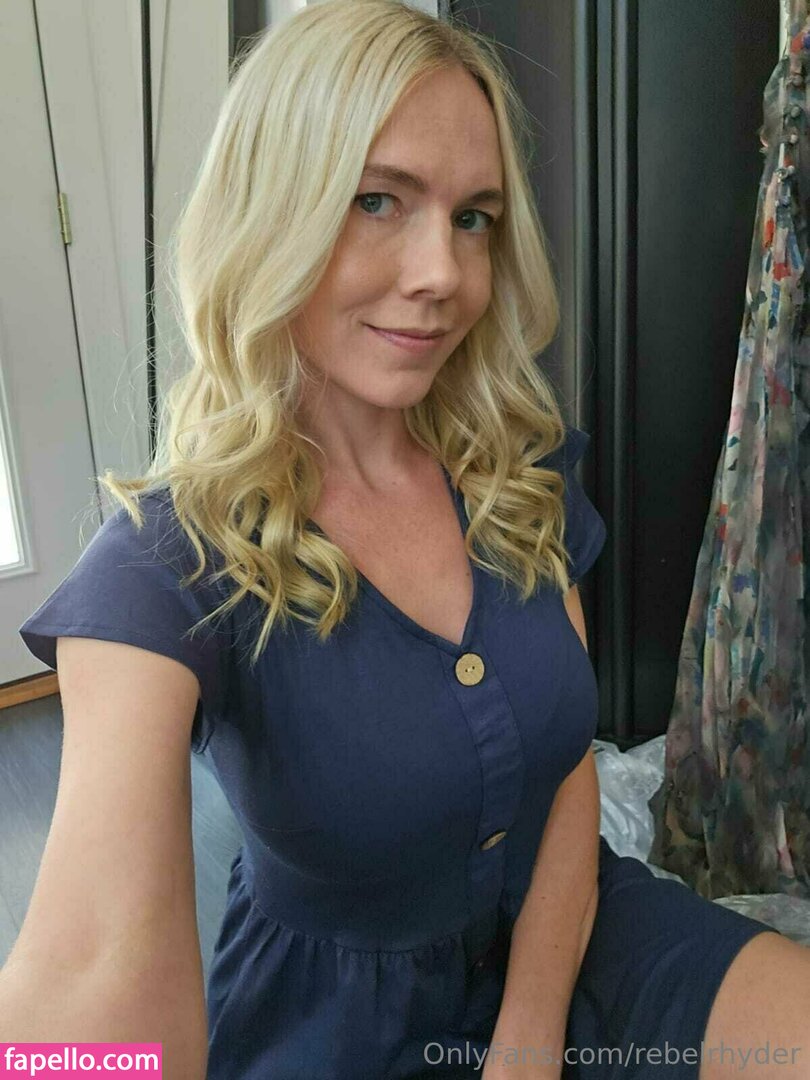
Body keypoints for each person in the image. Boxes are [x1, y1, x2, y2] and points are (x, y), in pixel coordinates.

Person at [2, 1, 809, 1077]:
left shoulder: (519, 471)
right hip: (338, 1023)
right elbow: (89, 974)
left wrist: (528, 1038)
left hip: (575, 934)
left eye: (473, 217)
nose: (443, 273)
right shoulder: (162, 572)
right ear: (267, 215)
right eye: (377, 200)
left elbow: (567, 764)